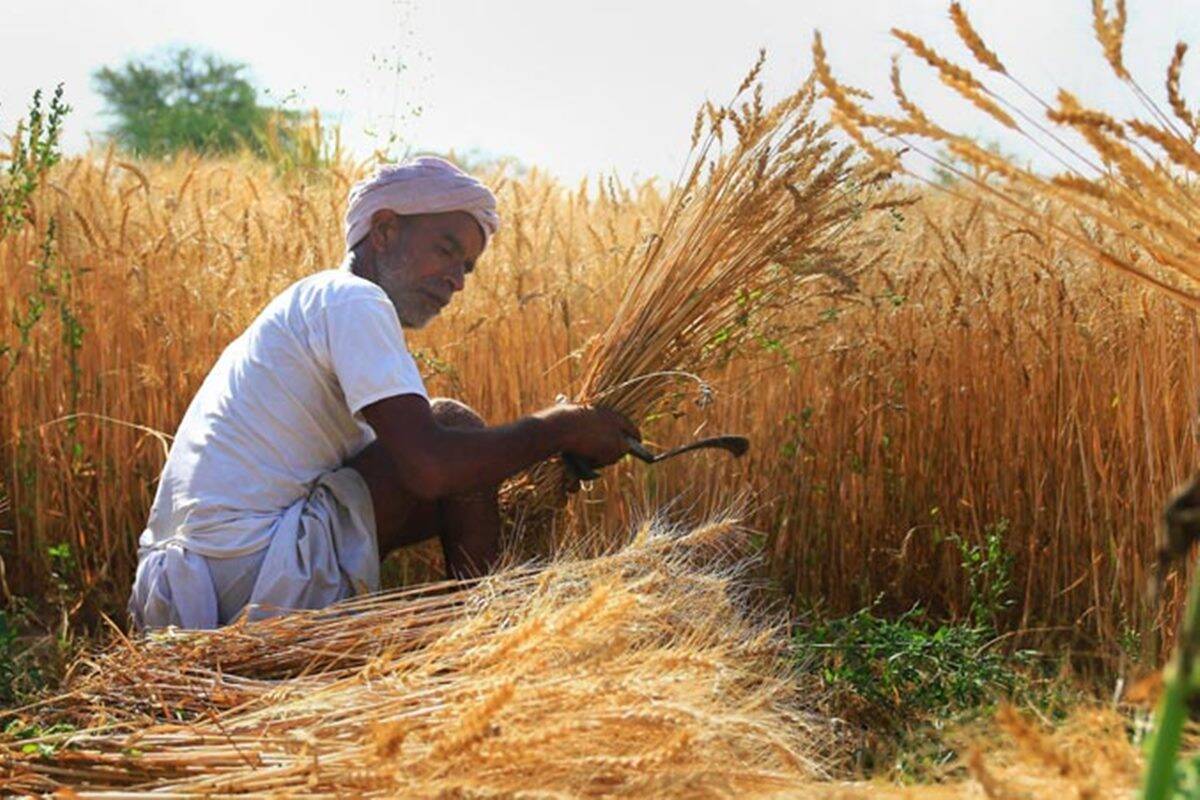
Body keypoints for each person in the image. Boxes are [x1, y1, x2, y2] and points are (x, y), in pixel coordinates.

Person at [128, 156, 639, 630]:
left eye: (466, 267)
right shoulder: (354, 299)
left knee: (451, 451)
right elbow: (431, 467)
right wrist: (564, 427)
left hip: (175, 593)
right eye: (446, 249)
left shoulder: (314, 301)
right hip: (251, 571)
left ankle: (476, 633)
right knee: (452, 427)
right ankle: (482, 642)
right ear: (385, 230)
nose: (456, 281)